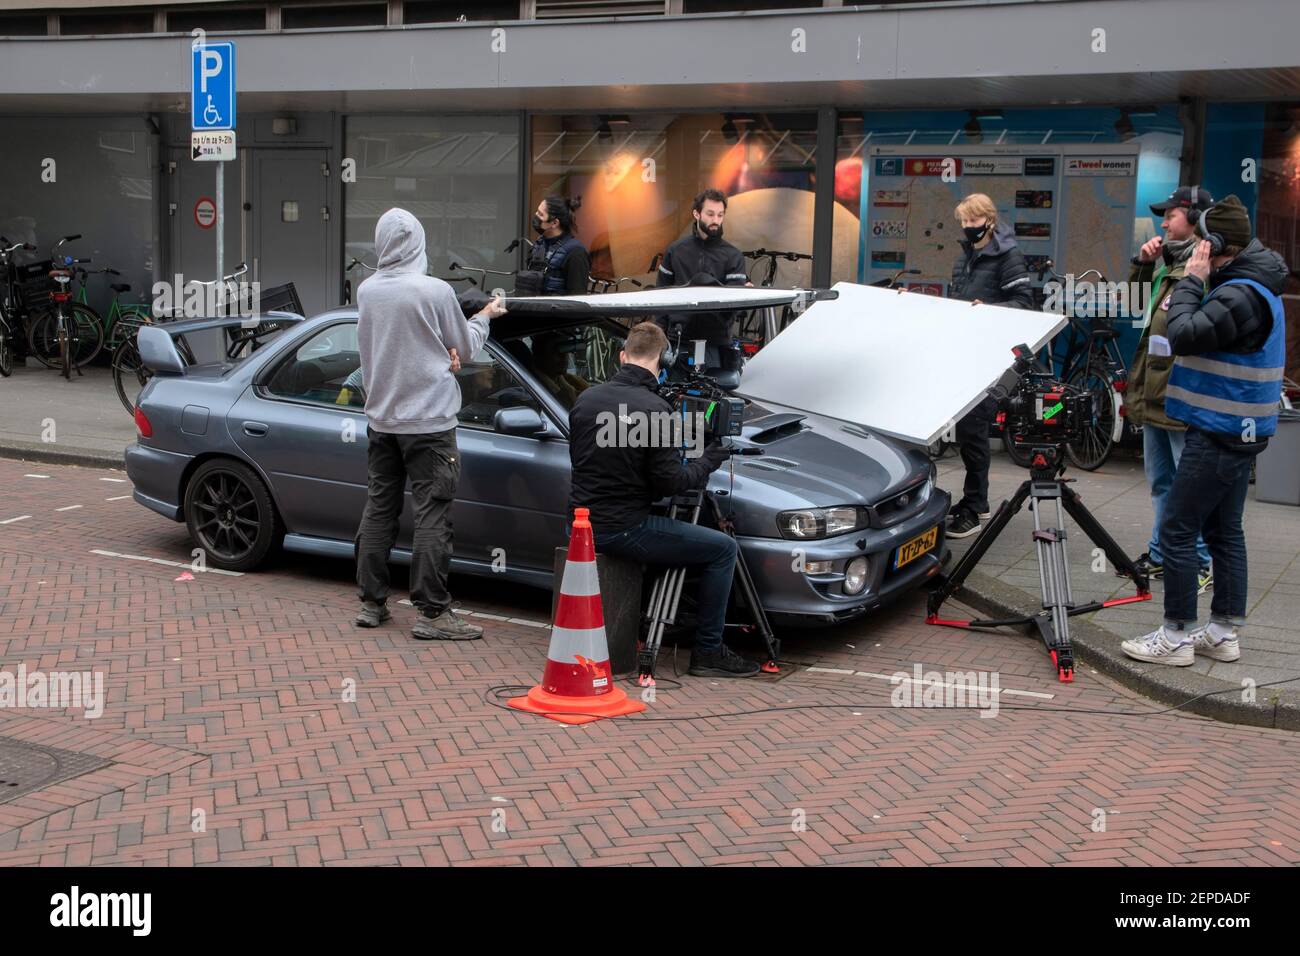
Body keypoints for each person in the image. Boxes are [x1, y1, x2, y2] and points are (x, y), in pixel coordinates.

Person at [1121, 195, 1288, 667]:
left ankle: (1175, 637)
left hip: (1218, 431)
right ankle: (1221, 633)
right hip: (1238, 429)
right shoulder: (1253, 282)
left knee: (1177, 527)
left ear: (1214, 245)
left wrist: (1192, 281)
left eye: (1201, 242)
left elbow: (1187, 335)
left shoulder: (1239, 292)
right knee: (1224, 530)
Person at [567, 321, 759, 677]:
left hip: (582, 523)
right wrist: (711, 457)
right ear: (663, 360)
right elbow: (674, 483)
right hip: (622, 527)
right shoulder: (657, 411)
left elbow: (593, 459)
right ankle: (708, 652)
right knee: (722, 549)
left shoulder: (587, 399)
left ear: (622, 355)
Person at [353, 207, 507, 640]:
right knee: (432, 515)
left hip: (382, 419)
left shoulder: (368, 291)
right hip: (430, 424)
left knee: (380, 508)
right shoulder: (434, 290)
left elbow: (401, 343)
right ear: (418, 242)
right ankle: (433, 614)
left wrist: (440, 352)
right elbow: (466, 347)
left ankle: (371, 602)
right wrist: (484, 317)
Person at [1120, 186, 1215, 590]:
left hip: (1180, 395)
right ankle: (1161, 554)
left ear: (1194, 218)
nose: (1163, 222)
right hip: (1153, 392)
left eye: (1171, 214)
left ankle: (1201, 560)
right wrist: (1143, 265)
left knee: (1188, 485)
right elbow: (1132, 306)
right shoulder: (1166, 264)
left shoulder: (1203, 267)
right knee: (1161, 482)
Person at [945, 192, 1033, 539]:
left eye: (973, 221)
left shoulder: (1008, 257)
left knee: (974, 430)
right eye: (963, 222)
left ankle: (976, 506)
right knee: (966, 433)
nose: (968, 227)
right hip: (963, 355)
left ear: (989, 220)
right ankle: (969, 500)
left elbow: (1025, 304)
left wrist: (990, 310)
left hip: (990, 358)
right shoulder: (964, 258)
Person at [655, 188, 750, 376]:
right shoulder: (676, 251)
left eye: (720, 215)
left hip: (715, 344)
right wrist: (660, 336)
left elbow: (735, 304)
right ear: (696, 213)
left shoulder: (733, 256)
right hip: (677, 342)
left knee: (713, 402)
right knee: (674, 398)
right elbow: (661, 294)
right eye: (710, 214)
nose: (716, 220)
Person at [521, 196, 590, 296]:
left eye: (541, 214)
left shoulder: (576, 253)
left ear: (554, 223)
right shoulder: (540, 244)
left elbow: (577, 299)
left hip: (556, 310)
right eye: (537, 211)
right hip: (534, 308)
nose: (536, 215)